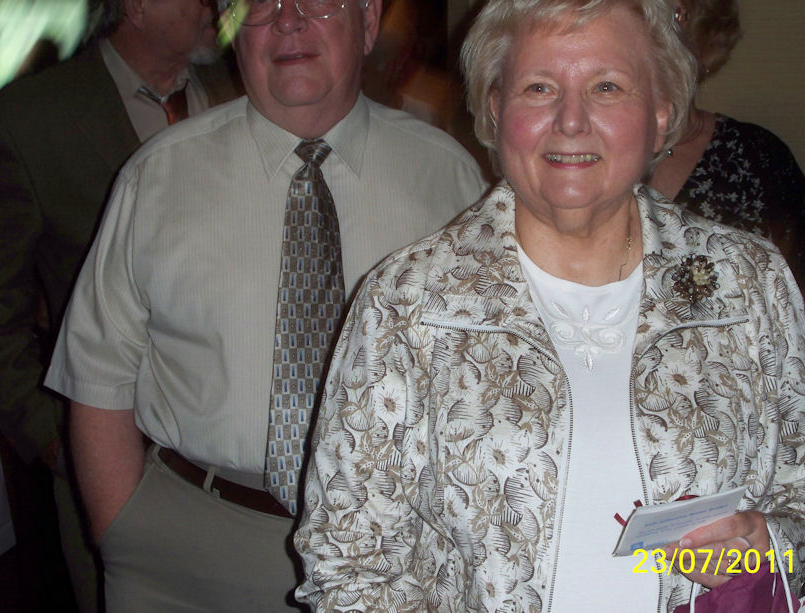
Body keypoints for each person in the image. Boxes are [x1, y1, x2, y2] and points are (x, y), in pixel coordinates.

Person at [292, 0, 805, 611]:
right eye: (539, 88)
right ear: (496, 108)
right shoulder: (407, 305)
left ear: (661, 112)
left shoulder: (746, 283)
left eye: (607, 87)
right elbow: (348, 563)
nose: (571, 121)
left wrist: (774, 547)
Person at [43, 0, 486, 610]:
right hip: (187, 555)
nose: (288, 19)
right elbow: (97, 376)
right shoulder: (157, 176)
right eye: (260, 3)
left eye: (318, 1)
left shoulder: (451, 182)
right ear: (233, 31)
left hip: (395, 548)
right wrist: (125, 530)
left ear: (368, 22)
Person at [0, 1, 239, 610]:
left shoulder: (240, 91)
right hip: (116, 465)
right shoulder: (31, 119)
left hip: (240, 475)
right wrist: (56, 440)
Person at [648, 0, 805, 357]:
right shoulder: (574, 161)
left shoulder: (757, 156)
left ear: (707, 36)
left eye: (677, 15)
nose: (662, 33)